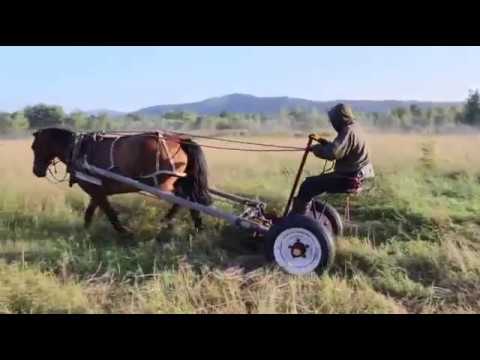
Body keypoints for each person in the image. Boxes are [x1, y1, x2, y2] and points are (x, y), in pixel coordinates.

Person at [291, 103, 375, 215]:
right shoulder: (356, 127)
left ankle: (297, 219)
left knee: (308, 185)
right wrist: (322, 141)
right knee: (312, 184)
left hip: (349, 178)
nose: (332, 123)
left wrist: (316, 149)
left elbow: (333, 153)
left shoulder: (348, 131)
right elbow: (341, 148)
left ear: (340, 119)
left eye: (333, 120)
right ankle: (302, 216)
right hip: (357, 175)